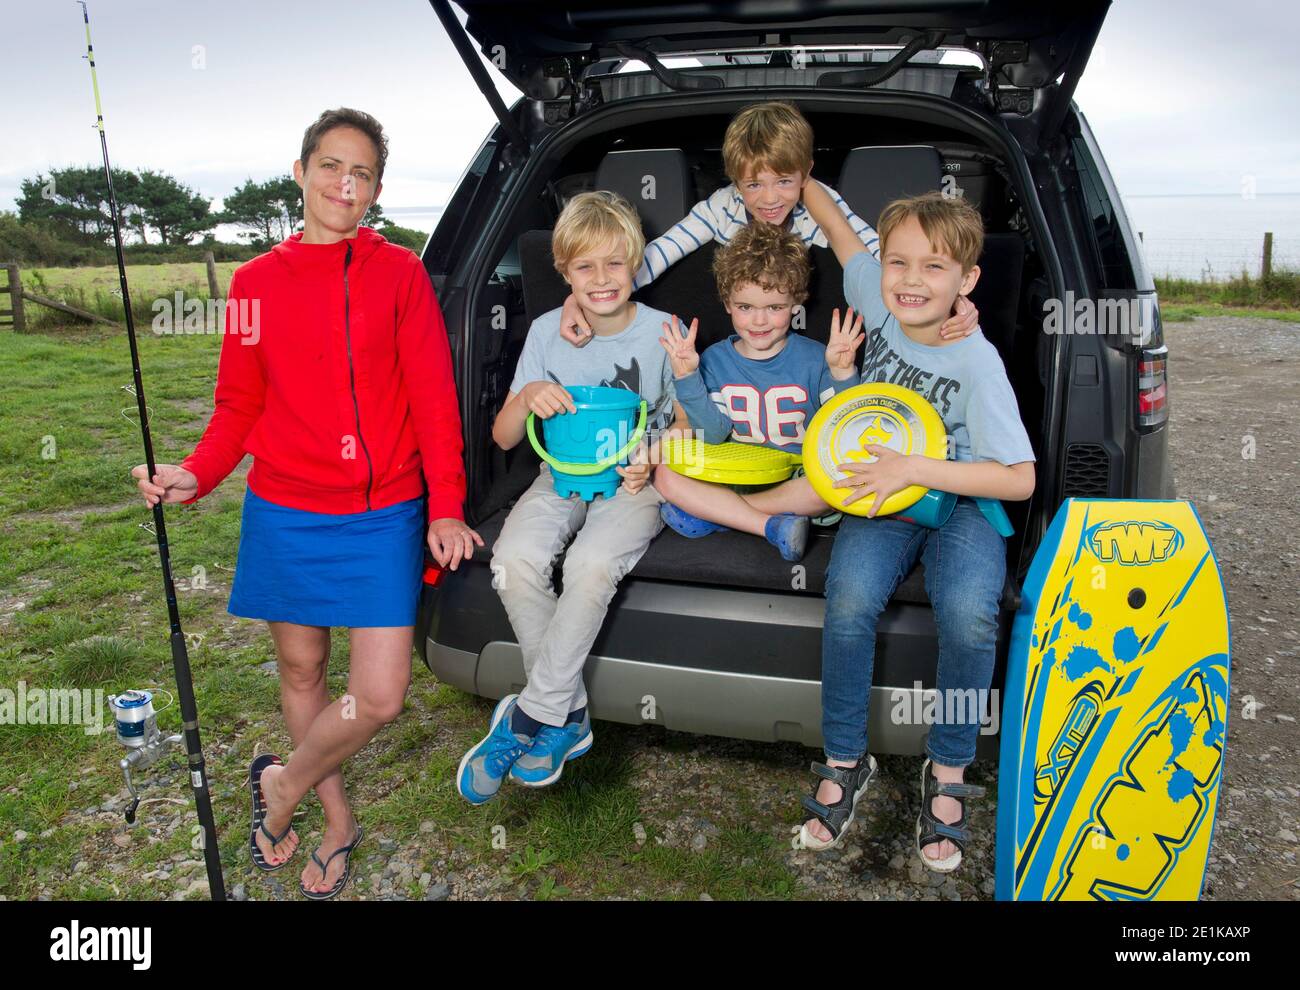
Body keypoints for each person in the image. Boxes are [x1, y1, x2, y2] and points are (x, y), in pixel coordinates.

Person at [132, 108, 481, 899]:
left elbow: (434, 400)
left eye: (360, 175)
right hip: (287, 509)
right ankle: (335, 820)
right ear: (301, 171)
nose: (343, 184)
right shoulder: (254, 284)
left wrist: (447, 505)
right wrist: (196, 474)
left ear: (376, 192)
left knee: (381, 695)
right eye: (330, 166)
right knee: (301, 667)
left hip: (383, 510)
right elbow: (237, 408)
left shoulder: (401, 274)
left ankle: (281, 786)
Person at [796, 181, 1036, 873]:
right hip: (886, 495)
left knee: (968, 615)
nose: (910, 280)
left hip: (961, 502)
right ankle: (845, 758)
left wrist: (918, 469)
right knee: (847, 600)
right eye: (898, 262)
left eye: (934, 267)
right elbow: (842, 234)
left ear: (968, 281)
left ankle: (951, 769)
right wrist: (802, 179)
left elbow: (1017, 478)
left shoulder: (975, 359)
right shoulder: (879, 295)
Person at [456, 190, 687, 804]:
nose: (602, 279)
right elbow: (504, 434)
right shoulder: (544, 333)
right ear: (564, 273)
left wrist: (654, 454)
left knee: (590, 565)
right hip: (557, 476)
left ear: (635, 263)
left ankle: (532, 716)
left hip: (636, 481)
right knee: (514, 561)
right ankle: (568, 714)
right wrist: (529, 392)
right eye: (585, 267)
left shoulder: (664, 331)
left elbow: (689, 426)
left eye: (616, 263)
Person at [557, 100, 975, 345]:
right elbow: (654, 257)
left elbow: (884, 259)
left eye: (785, 181)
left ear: (806, 173)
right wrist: (585, 297)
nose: (769, 198)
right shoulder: (719, 208)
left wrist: (950, 299)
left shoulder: (822, 207)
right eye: (753, 184)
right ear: (736, 180)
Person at [652, 221, 863, 562]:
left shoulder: (815, 358)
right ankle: (771, 526)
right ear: (726, 303)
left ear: (796, 302)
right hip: (731, 476)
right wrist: (688, 377)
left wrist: (842, 373)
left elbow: (846, 431)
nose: (759, 321)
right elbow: (714, 436)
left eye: (775, 308)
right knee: (664, 474)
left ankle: (718, 515)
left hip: (793, 478)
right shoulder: (714, 360)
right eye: (745, 307)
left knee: (831, 483)